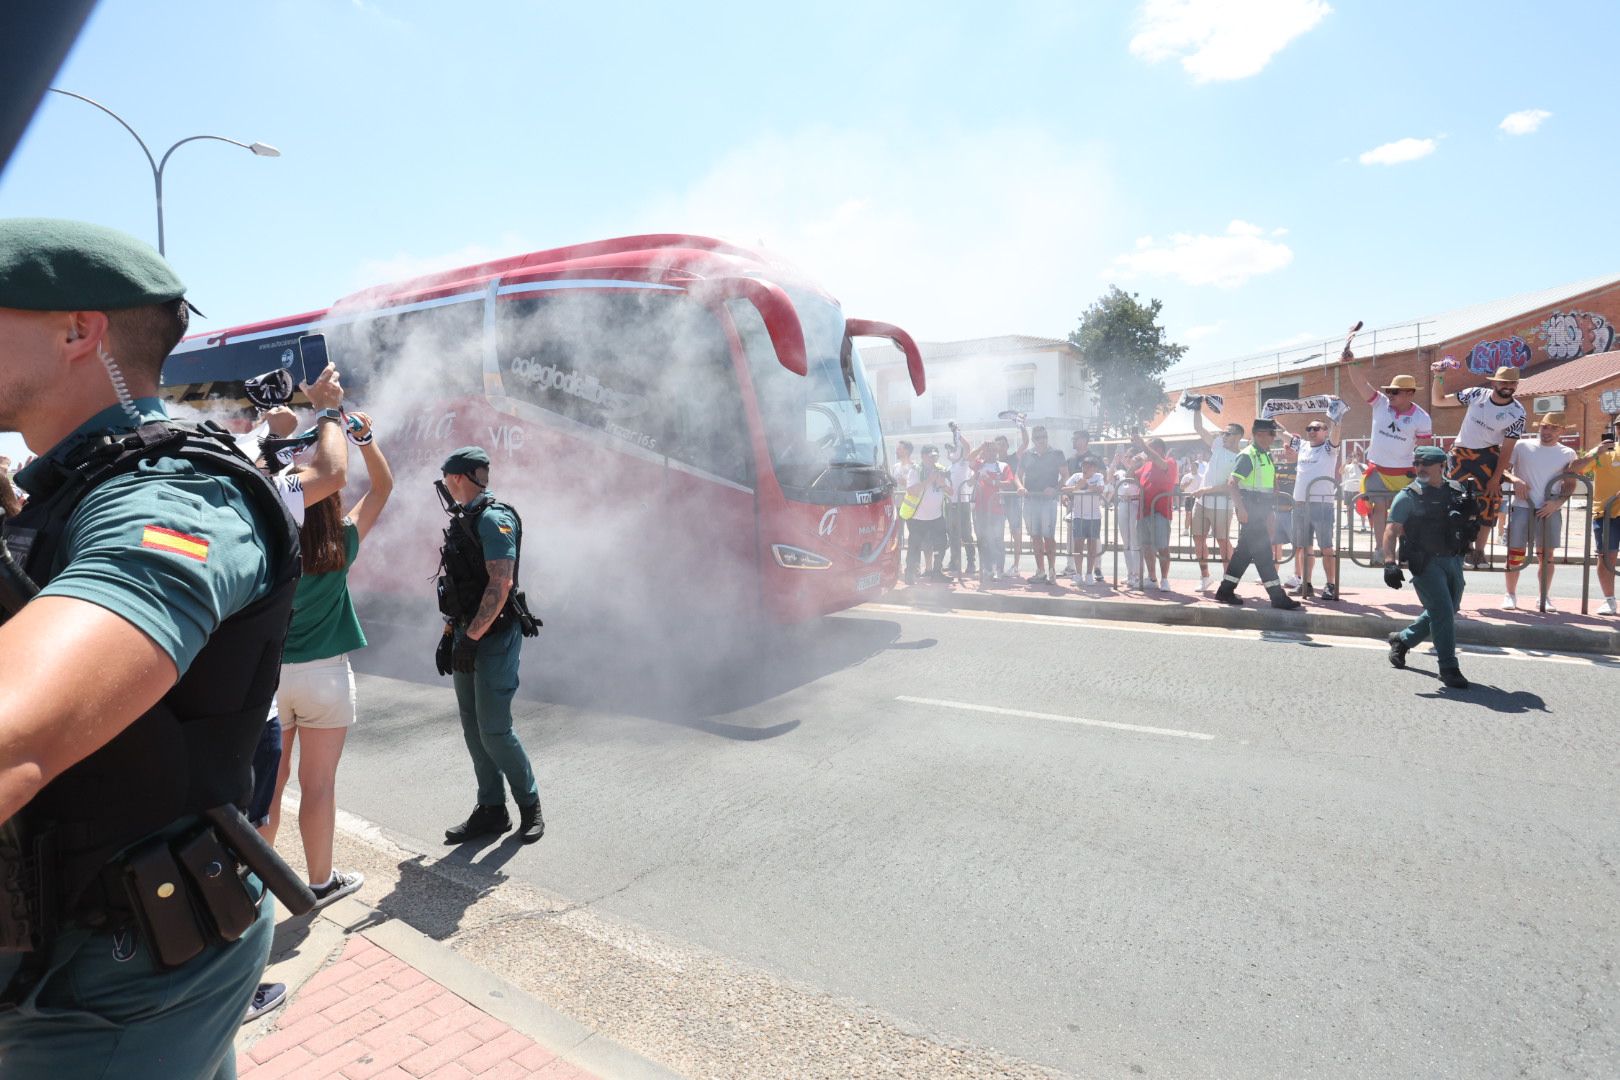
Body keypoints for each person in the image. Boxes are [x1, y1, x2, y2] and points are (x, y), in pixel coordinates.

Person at [0, 218, 302, 1076]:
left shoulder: (178, 492)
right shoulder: (68, 485)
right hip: (78, 948)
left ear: (77, 331)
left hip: (111, 981)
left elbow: (12, 733)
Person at [264, 409, 392, 908]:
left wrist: (279, 436)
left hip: (271, 680)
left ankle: (260, 890)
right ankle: (320, 884)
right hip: (327, 680)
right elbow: (382, 489)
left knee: (268, 792)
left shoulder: (269, 544)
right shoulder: (342, 540)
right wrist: (364, 437)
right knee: (318, 787)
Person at [436, 447, 544, 844]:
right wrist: (451, 635)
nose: (445, 484)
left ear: (459, 477)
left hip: (494, 636)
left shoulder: (494, 519)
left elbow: (501, 585)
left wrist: (473, 637)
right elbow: (461, 588)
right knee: (472, 725)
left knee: (495, 729)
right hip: (469, 631)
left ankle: (530, 805)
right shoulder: (464, 519)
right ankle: (491, 810)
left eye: (447, 477)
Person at [1382, 446, 1478, 690]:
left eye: (1427, 464)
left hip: (1453, 559)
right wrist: (1389, 563)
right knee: (1443, 611)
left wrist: (1470, 518)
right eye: (1418, 464)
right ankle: (1448, 667)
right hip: (1424, 561)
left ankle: (1403, 640)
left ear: (1441, 466)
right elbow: (1391, 529)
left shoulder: (1457, 490)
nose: (1421, 469)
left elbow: (1472, 523)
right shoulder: (1409, 495)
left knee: (1448, 608)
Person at [1437, 365, 1525, 566]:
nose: (1508, 386)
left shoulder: (1518, 412)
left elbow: (1507, 448)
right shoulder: (1476, 394)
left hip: (1488, 456)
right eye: (1504, 382)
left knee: (1490, 502)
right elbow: (1438, 400)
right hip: (1460, 453)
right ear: (1494, 382)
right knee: (1455, 500)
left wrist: (1496, 478)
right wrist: (1438, 377)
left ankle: (1479, 552)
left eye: (1512, 383)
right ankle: (1461, 547)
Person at [1212, 419, 1301, 609]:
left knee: (1243, 554)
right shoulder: (1248, 455)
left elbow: (1267, 480)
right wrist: (1242, 509)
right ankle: (1277, 597)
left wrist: (1273, 496)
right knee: (1263, 555)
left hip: (1262, 509)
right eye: (1272, 434)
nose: (1274, 437)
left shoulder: (1265, 454)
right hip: (1250, 509)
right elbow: (1232, 483)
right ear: (1260, 434)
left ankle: (1225, 591)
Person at [1346, 361, 1432, 552]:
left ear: (1410, 393)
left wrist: (1425, 476)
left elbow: (1424, 450)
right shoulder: (1380, 403)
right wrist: (1350, 362)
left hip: (1404, 473)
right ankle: (1380, 549)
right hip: (1377, 470)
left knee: (1401, 513)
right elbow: (1361, 384)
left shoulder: (1422, 418)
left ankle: (1405, 549)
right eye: (1389, 391)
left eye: (1395, 391)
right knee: (1378, 508)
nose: (1390, 395)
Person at [1501, 412, 1578, 612]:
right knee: (1515, 552)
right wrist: (1515, 480)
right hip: (1521, 506)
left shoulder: (1568, 453)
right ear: (1539, 427)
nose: (1548, 432)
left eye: (1554, 428)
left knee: (1547, 555)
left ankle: (1544, 596)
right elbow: (1503, 469)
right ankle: (1510, 594)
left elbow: (1570, 485)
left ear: (1562, 431)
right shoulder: (1522, 446)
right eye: (1545, 427)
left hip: (1548, 509)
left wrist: (1557, 504)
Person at [1283, 415, 1343, 600]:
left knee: (1326, 547)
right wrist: (1271, 420)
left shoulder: (1329, 448)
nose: (1311, 431)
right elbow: (1283, 434)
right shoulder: (1302, 446)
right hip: (1300, 504)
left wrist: (1336, 418)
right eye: (1308, 428)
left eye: (1316, 428)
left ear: (1325, 432)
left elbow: (1336, 434)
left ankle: (1330, 585)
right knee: (1304, 547)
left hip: (1322, 504)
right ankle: (1306, 584)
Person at [1190, 408, 1242, 592]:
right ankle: (1205, 577)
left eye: (1227, 433)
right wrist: (1196, 408)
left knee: (1222, 541)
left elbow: (1231, 485)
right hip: (1202, 502)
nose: (1223, 435)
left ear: (1237, 436)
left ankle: (1228, 582)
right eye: (1222, 433)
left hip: (1222, 505)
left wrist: (1206, 489)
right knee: (1198, 538)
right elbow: (1198, 427)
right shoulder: (1218, 445)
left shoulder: (1240, 458)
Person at [1576, 424, 1620, 615]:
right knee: (1605, 557)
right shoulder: (1603, 451)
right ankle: (1609, 600)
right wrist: (1596, 451)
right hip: (1605, 513)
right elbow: (1576, 469)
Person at [1021, 425, 1067, 585]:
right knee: (1035, 537)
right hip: (1030, 501)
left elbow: (1065, 476)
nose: (1042, 440)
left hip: (1048, 502)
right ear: (1033, 439)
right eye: (1039, 437)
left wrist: (1055, 489)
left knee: (1049, 537)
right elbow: (1017, 476)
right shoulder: (1026, 455)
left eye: (1044, 436)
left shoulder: (1057, 453)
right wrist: (1020, 487)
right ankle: (1040, 571)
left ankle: (1052, 570)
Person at [1131, 434, 1178, 591]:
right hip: (1143, 512)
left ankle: (1164, 579)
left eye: (1150, 447)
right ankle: (1152, 577)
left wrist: (1143, 445)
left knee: (1162, 546)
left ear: (1159, 449)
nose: (1147, 451)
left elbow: (1159, 461)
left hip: (1160, 512)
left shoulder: (1170, 463)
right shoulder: (1146, 465)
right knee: (1146, 546)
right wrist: (1135, 462)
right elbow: (1129, 475)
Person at [972, 439, 1019, 588]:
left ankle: (999, 569)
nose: (990, 452)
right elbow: (969, 459)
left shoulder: (1003, 466)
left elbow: (1009, 483)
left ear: (997, 451)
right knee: (982, 539)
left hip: (997, 509)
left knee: (997, 539)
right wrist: (980, 446)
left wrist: (992, 482)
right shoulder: (979, 464)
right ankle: (986, 568)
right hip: (980, 509)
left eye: (993, 450)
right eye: (988, 449)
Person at [903, 445, 950, 582]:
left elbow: (951, 492)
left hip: (936, 517)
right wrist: (929, 480)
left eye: (935, 456)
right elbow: (911, 490)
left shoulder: (941, 469)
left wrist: (943, 485)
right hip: (918, 518)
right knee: (915, 546)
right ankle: (910, 574)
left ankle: (936, 572)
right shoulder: (916, 470)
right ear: (923, 456)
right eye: (930, 456)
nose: (933, 459)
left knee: (941, 544)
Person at [1062, 455, 1106, 584]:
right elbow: (1064, 489)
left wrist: (1085, 485)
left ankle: (1089, 574)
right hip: (1078, 516)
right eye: (1083, 466)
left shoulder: (1098, 477)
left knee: (1092, 547)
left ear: (1094, 468)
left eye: (1088, 467)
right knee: (1078, 547)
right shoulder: (1076, 477)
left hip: (1094, 517)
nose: (1085, 469)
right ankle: (1078, 574)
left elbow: (1100, 489)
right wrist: (1077, 486)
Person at [942, 425, 976, 580]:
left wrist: (957, 433)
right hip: (951, 504)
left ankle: (971, 562)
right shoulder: (950, 467)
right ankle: (955, 562)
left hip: (963, 503)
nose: (950, 452)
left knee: (966, 534)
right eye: (948, 450)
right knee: (953, 534)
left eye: (953, 449)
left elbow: (968, 446)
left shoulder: (964, 463)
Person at [1062, 430, 1092, 575]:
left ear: (1084, 440)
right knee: (1071, 535)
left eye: (1076, 438)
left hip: (1090, 504)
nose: (1073, 440)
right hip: (1072, 503)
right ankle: (1070, 566)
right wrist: (1065, 495)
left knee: (1092, 536)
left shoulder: (1094, 457)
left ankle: (1095, 569)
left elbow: (1101, 478)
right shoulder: (1070, 459)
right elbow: (1066, 480)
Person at [1001, 427, 1029, 578]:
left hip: (1013, 499)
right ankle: (998, 565)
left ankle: (1016, 565)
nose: (1000, 447)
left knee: (1016, 531)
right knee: (996, 533)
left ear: (1007, 445)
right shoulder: (992, 460)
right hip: (997, 500)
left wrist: (1022, 426)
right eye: (997, 444)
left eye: (1002, 444)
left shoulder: (1013, 457)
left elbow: (1025, 442)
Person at [890, 440, 915, 581]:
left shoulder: (914, 466)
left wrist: (905, 482)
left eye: (899, 448)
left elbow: (913, 485)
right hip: (897, 505)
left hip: (911, 506)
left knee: (913, 536)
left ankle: (912, 566)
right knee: (897, 537)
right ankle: (897, 565)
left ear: (906, 450)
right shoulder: (895, 466)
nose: (897, 450)